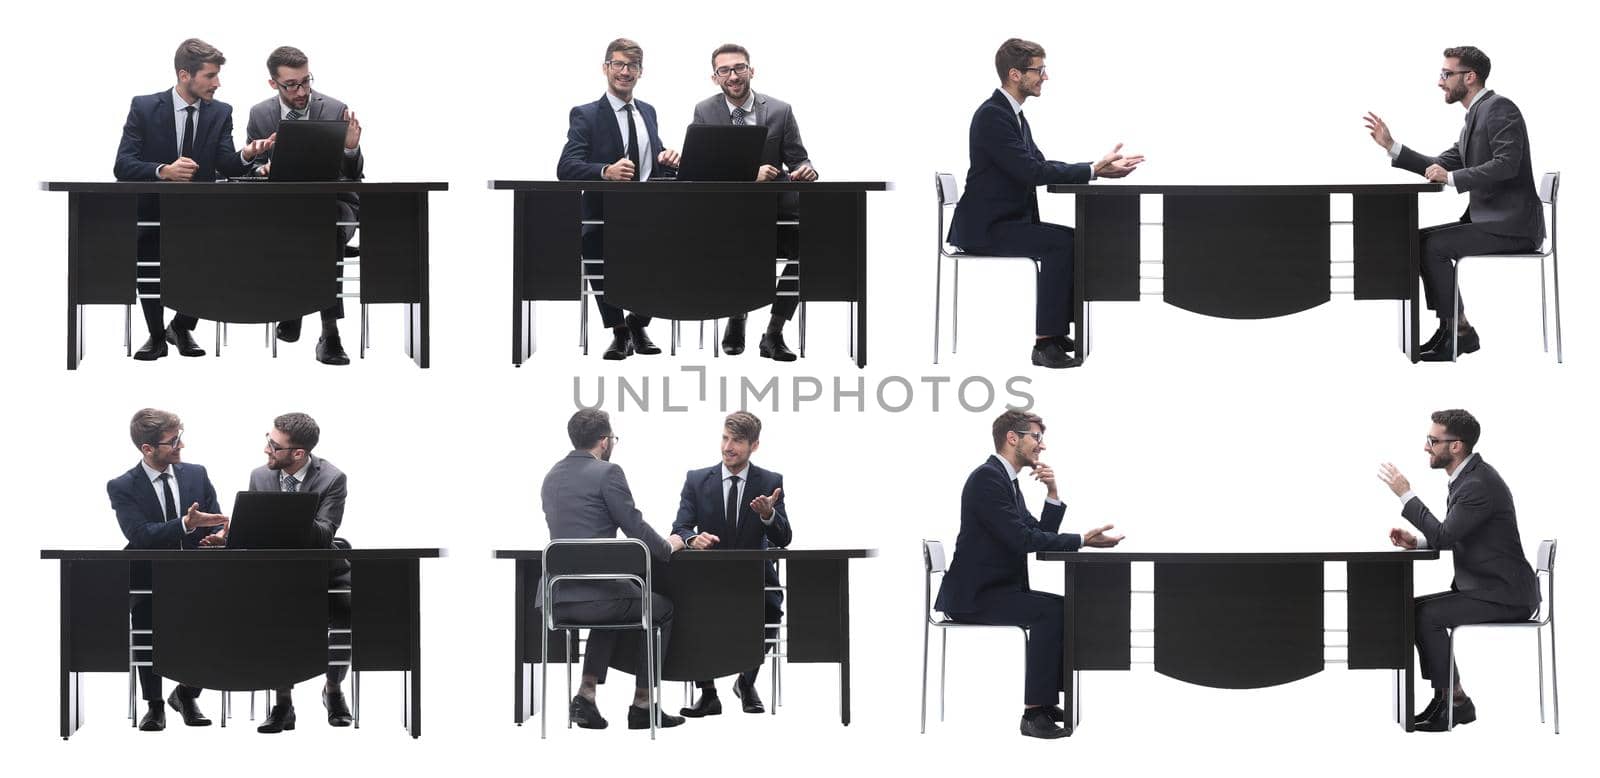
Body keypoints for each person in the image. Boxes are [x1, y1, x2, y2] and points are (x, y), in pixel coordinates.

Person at [948, 39, 1143, 369]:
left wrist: (1095, 171)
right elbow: (1030, 171)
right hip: (986, 229)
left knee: (1072, 239)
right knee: (1060, 244)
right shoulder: (993, 116)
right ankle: (1045, 344)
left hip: (1004, 222)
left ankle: (1055, 331)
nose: (1045, 77)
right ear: (1015, 74)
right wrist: (1090, 171)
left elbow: (1038, 163)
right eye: (1039, 70)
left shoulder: (1013, 116)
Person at [934, 409, 1122, 738]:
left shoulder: (1006, 481)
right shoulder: (987, 479)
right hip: (975, 597)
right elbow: (1023, 541)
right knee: (1050, 612)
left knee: (1066, 607)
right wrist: (1082, 541)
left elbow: (1036, 536)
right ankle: (1034, 714)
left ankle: (1044, 702)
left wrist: (1052, 493)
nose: (1041, 445)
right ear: (1012, 438)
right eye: (1035, 437)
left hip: (995, 591)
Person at [1363, 46, 1545, 361]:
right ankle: (1454, 329)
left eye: (1447, 74)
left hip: (1513, 226)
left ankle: (1458, 332)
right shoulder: (1476, 116)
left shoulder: (1500, 109)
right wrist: (1392, 147)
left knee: (1431, 247)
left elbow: (1507, 164)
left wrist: (1452, 178)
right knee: (1418, 240)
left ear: (1469, 77)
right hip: (1492, 220)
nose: (1440, 81)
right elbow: (1439, 164)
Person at [1377, 409, 1541, 731]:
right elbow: (1452, 535)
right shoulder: (1468, 478)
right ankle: (1450, 699)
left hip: (1506, 594)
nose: (1426, 446)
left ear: (1456, 446)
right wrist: (1419, 542)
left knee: (1425, 616)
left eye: (1433, 440)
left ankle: (1454, 702)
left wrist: (1405, 493)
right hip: (1489, 587)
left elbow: (1445, 535)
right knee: (1412, 610)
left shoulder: (1477, 484)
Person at [113, 39, 274, 360]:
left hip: (201, 214)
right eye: (210, 75)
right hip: (153, 211)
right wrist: (163, 171)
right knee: (149, 259)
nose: (217, 83)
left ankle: (182, 326)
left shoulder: (220, 112)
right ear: (185, 75)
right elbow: (123, 164)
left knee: (221, 258)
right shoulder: (144, 107)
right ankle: (157, 336)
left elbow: (225, 163)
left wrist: (247, 154)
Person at [541, 409, 688, 730]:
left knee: (617, 599)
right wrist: (670, 544)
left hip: (558, 600)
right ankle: (642, 704)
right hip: (597, 599)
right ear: (605, 441)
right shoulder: (608, 473)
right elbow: (634, 527)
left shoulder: (551, 476)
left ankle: (586, 696)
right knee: (660, 608)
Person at [688, 44, 816, 361]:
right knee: (735, 251)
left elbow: (798, 158)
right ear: (714, 77)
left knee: (810, 251)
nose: (733, 76)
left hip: (775, 214)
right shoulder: (705, 111)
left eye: (739, 68)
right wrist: (749, 174)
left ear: (751, 70)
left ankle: (773, 332)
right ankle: (737, 316)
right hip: (728, 218)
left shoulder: (780, 110)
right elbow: (702, 170)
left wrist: (805, 170)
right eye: (725, 70)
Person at [557, 39, 682, 360]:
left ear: (641, 72)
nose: (625, 72)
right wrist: (604, 172)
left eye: (632, 66)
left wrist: (667, 160)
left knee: (678, 251)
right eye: (618, 64)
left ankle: (638, 322)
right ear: (605, 68)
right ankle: (619, 331)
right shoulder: (586, 115)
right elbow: (566, 167)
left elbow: (650, 161)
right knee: (594, 249)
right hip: (604, 216)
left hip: (649, 214)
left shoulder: (648, 112)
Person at [106, 408, 228, 731]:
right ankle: (155, 705)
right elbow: (140, 535)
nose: (181, 446)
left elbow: (213, 517)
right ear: (148, 449)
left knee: (219, 622)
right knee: (146, 628)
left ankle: (186, 694)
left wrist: (217, 536)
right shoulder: (122, 486)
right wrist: (186, 524)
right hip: (149, 578)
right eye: (173, 441)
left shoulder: (196, 474)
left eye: (180, 437)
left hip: (196, 578)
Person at [247, 46, 365, 365]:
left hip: (336, 205)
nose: (301, 91)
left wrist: (351, 150)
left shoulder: (335, 108)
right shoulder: (260, 114)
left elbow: (355, 177)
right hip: (283, 208)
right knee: (296, 227)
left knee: (323, 228)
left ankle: (329, 333)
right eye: (291, 85)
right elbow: (250, 168)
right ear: (274, 84)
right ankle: (294, 307)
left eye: (305, 81)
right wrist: (261, 169)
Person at [671, 412, 791, 716]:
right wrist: (691, 540)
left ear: (754, 445)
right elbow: (680, 527)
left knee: (773, 608)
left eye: (737, 441)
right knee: (689, 607)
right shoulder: (697, 480)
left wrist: (768, 515)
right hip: (709, 574)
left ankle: (746, 682)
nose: (728, 446)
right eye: (725, 438)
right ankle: (708, 693)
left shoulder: (770, 481)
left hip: (754, 575)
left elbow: (784, 537)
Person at [244, 412, 352, 733]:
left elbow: (324, 535)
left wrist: (280, 515)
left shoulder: (333, 479)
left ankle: (332, 690)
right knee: (274, 619)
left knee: (346, 615)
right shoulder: (260, 477)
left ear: (299, 454)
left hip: (325, 572)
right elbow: (254, 531)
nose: (266, 449)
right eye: (268, 439)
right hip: (277, 574)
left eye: (274, 446)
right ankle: (282, 703)